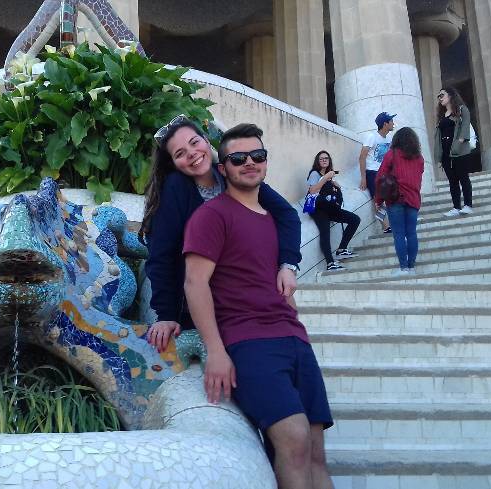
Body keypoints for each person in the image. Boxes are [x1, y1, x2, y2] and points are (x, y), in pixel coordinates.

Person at [182, 123, 333, 489]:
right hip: (249, 342)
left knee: (315, 452)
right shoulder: (212, 216)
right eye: (238, 158)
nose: (249, 163)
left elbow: (280, 280)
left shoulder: (274, 221)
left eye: (258, 156)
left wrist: (295, 317)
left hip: (294, 340)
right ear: (223, 168)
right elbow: (195, 283)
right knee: (294, 440)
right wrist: (216, 352)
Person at [139, 115, 302, 352]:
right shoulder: (176, 188)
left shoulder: (230, 173)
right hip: (210, 305)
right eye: (180, 153)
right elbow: (161, 254)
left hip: (250, 289)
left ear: (206, 141)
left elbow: (286, 215)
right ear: (173, 163)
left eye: (195, 143)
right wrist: (166, 314)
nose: (192, 153)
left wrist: (287, 265)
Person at [374, 127, 425, 276]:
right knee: (411, 233)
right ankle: (411, 267)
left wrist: (378, 199)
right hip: (413, 198)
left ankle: (403, 267)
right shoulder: (419, 158)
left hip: (395, 198)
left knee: (398, 234)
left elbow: (380, 177)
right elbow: (419, 178)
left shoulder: (392, 154)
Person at [306, 150, 361, 272]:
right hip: (318, 209)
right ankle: (330, 263)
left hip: (330, 208)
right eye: (321, 159)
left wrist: (335, 185)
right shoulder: (314, 174)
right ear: (317, 161)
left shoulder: (330, 177)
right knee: (325, 232)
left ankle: (342, 249)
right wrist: (326, 178)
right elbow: (313, 191)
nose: (324, 160)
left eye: (326, 158)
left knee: (354, 219)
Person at [433, 87, 475, 217]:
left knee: (463, 177)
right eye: (438, 96)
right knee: (452, 181)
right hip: (446, 152)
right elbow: (439, 135)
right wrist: (439, 155)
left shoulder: (462, 110)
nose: (440, 98)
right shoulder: (441, 115)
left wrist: (459, 143)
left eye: (442, 95)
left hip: (459, 151)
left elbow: (464, 127)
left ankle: (468, 205)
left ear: (450, 96)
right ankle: (456, 206)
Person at [359, 112, 395, 233]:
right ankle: (385, 226)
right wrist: (363, 178)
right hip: (372, 172)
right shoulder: (371, 136)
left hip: (385, 173)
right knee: (378, 199)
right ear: (385, 124)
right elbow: (362, 157)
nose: (393, 123)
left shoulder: (389, 138)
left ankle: (393, 222)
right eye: (391, 121)